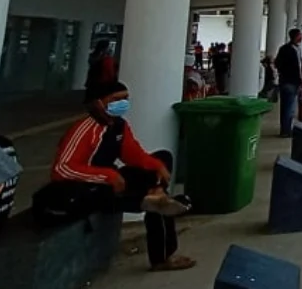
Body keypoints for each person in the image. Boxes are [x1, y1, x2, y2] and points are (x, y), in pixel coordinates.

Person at [38, 82, 194, 272]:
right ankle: (160, 246)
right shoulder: (85, 129)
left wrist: (156, 166)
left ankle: (156, 196)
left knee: (162, 159)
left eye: (125, 99)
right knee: (133, 198)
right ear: (98, 103)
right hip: (84, 187)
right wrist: (107, 176)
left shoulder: (119, 126)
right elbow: (62, 169)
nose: (122, 103)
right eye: (115, 100)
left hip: (112, 180)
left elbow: (133, 154)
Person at [275, 29, 302, 137]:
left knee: (289, 108)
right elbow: (278, 63)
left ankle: (286, 129)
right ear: (296, 36)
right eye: (300, 35)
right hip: (288, 82)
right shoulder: (287, 49)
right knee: (288, 108)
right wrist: (287, 72)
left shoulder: (295, 49)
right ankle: (286, 131)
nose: (301, 37)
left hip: (292, 81)